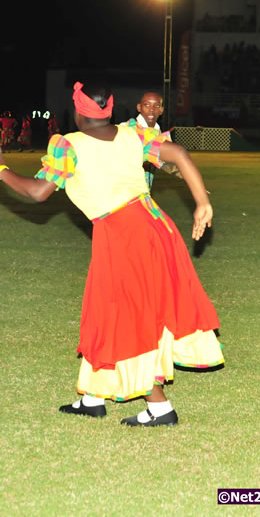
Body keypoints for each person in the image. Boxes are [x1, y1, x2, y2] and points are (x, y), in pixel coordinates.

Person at [0, 82, 222, 427]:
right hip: (156, 227)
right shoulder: (130, 134)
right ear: (112, 106)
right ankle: (92, 397)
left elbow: (39, 192)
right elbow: (179, 154)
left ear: (76, 109)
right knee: (106, 309)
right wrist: (202, 202)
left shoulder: (67, 144)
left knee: (129, 316)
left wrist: (2, 170)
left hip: (125, 235)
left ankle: (160, 408)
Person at [121, 91, 180, 190]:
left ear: (161, 110)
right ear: (139, 107)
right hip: (125, 191)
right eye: (147, 105)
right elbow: (167, 165)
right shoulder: (127, 128)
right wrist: (192, 181)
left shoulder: (157, 132)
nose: (151, 109)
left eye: (156, 106)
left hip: (142, 189)